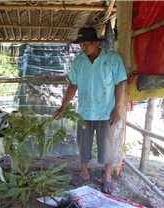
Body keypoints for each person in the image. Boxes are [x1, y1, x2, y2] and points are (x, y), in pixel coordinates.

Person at [53, 27, 127, 194]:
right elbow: (73, 85)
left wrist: (117, 109)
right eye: (81, 45)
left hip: (106, 112)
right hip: (84, 112)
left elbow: (120, 84)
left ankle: (107, 178)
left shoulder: (112, 59)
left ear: (95, 43)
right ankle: (84, 173)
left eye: (86, 44)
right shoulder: (78, 62)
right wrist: (62, 107)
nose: (83, 48)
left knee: (107, 146)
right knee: (83, 146)